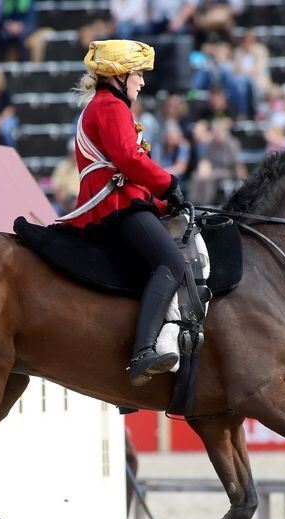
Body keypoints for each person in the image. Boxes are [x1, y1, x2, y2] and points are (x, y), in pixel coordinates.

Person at [60, 40, 186, 386]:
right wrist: (168, 183)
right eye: (138, 74)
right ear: (118, 76)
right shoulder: (111, 108)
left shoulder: (103, 106)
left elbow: (125, 171)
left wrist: (163, 202)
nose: (142, 83)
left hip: (117, 200)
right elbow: (129, 161)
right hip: (113, 206)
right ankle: (143, 351)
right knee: (173, 263)